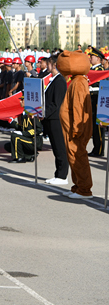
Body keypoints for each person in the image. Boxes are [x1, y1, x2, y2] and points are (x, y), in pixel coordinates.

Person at [57, 51, 93, 199]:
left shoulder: (78, 83)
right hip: (71, 129)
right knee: (73, 157)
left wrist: (77, 128)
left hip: (75, 130)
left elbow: (79, 107)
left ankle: (84, 189)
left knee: (78, 157)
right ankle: (77, 186)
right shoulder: (76, 80)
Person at [43, 54, 68, 184]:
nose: (47, 66)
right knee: (55, 147)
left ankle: (63, 176)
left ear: (54, 65)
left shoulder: (60, 81)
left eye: (48, 63)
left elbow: (56, 103)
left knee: (60, 147)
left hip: (56, 118)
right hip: (50, 118)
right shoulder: (53, 79)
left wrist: (44, 113)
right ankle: (58, 174)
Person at [86, 47, 105, 157]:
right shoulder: (91, 70)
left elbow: (100, 85)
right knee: (93, 126)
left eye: (92, 57)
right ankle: (96, 148)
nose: (90, 58)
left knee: (98, 127)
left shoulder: (100, 70)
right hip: (91, 100)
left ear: (98, 58)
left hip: (97, 100)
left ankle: (99, 149)